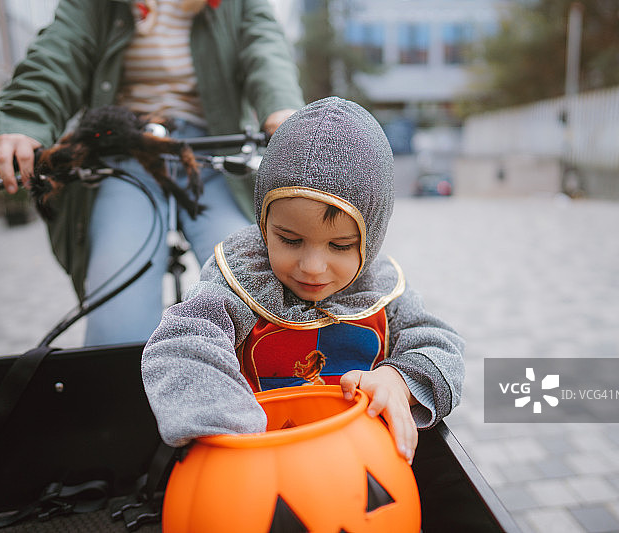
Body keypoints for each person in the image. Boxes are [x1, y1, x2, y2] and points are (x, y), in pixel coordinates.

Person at [141, 97, 465, 467]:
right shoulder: (242, 279)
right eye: (289, 240)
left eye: (340, 245)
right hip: (258, 461)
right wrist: (230, 431)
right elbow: (184, 341)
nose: (312, 267)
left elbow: (444, 348)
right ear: (265, 226)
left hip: (356, 462)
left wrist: (399, 380)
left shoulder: (383, 290)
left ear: (371, 238)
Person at [0, 0, 304, 346]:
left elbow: (265, 49)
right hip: (125, 151)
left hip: (213, 152)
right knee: (117, 310)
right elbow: (58, 56)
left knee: (256, 285)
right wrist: (20, 121)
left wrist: (281, 109)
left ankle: (279, 384)